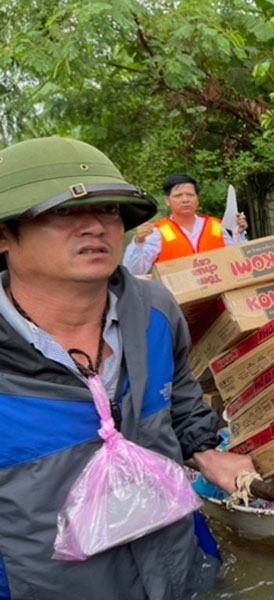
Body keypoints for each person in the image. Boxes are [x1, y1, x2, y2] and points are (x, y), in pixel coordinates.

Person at [0, 136, 257, 598]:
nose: (95, 227)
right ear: (3, 234)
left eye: (109, 211)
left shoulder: (154, 311)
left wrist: (203, 448)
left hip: (180, 571)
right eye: (63, 213)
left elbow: (178, 387)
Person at [122, 173, 248, 274]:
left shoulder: (216, 226)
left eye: (190, 195)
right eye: (178, 195)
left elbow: (240, 260)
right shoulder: (157, 232)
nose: (185, 200)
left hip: (220, 299)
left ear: (197, 199)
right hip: (179, 302)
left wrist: (240, 233)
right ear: (167, 201)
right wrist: (139, 242)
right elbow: (134, 271)